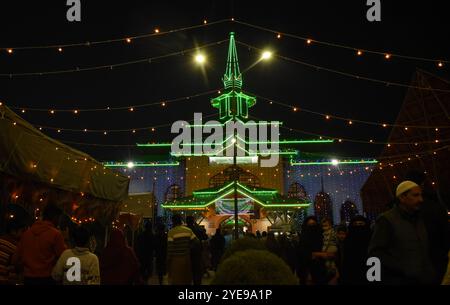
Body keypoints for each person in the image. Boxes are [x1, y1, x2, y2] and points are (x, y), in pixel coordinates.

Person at [369, 180, 436, 284]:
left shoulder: (420, 219)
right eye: (415, 195)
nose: (421, 199)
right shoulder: (386, 220)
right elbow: (376, 252)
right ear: (402, 197)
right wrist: (403, 269)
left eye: (421, 195)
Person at [406, 170, 450, 284]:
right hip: (435, 264)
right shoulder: (436, 208)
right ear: (422, 184)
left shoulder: (396, 211)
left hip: (408, 267)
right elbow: (445, 239)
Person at [13, 204, 67, 285]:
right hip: (47, 278)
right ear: (55, 217)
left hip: (28, 278)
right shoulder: (56, 234)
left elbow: (16, 258)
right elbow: (63, 257)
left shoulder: (27, 233)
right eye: (59, 218)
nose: (59, 221)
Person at [167, 214, 198, 285]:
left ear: (173, 221)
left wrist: (168, 261)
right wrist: (188, 248)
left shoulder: (171, 232)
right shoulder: (188, 230)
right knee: (186, 280)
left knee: (177, 280)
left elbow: (170, 249)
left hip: (176, 260)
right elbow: (197, 242)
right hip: (187, 259)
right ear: (181, 220)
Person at [341, 215, 372, 285]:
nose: (358, 226)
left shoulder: (372, 238)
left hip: (370, 270)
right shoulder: (348, 239)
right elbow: (346, 259)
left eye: (360, 224)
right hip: (352, 272)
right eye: (355, 224)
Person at [296, 216, 323, 285]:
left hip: (320, 270)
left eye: (313, 224)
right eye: (309, 225)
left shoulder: (322, 237)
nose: (311, 227)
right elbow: (301, 254)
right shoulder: (302, 239)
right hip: (306, 270)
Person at [311, 218, 338, 285]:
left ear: (330, 225)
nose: (325, 227)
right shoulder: (322, 234)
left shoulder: (333, 233)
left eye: (326, 225)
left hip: (331, 255)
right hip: (325, 257)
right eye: (323, 226)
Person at [0, 217, 27, 285]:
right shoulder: (16, 246)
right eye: (22, 231)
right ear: (13, 231)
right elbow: (18, 265)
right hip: (5, 280)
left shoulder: (1, 240)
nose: (23, 234)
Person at [186, 216, 205, 285]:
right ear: (193, 221)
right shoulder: (197, 229)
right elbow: (204, 236)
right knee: (197, 271)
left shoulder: (185, 229)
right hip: (197, 252)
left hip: (187, 253)